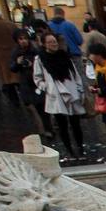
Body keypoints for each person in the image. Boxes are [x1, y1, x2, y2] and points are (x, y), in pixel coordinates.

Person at [32, 31, 87, 160]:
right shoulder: (40, 59)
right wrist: (46, 87)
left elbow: (75, 74)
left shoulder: (64, 56)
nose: (53, 44)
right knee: (62, 125)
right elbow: (37, 77)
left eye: (55, 42)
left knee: (76, 124)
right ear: (44, 44)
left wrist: (80, 89)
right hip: (55, 95)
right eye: (50, 42)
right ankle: (69, 151)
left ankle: (80, 148)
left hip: (71, 92)